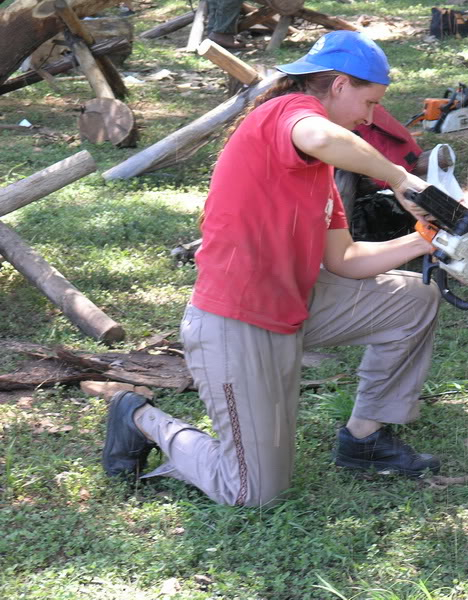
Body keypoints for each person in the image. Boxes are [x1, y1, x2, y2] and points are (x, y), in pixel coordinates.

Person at [102, 31, 443, 507]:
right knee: (254, 490)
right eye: (368, 103)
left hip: (296, 304)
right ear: (339, 85)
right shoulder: (285, 114)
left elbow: (344, 260)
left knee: (415, 298)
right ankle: (139, 417)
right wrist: (400, 177)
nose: (370, 119)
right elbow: (320, 133)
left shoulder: (321, 167)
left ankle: (364, 439)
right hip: (237, 320)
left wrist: (423, 240)